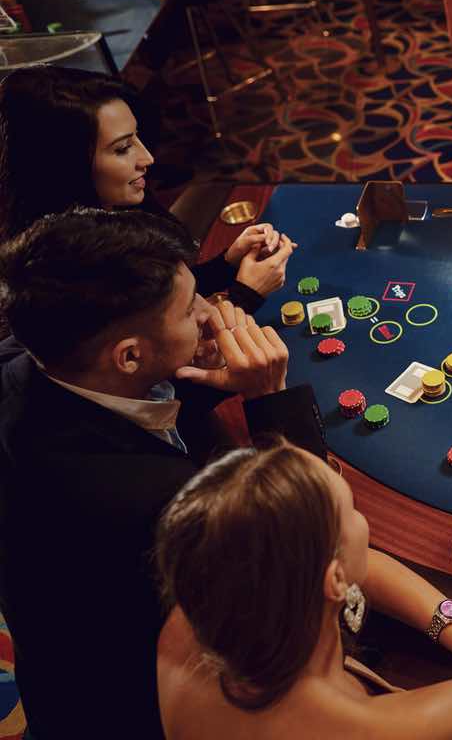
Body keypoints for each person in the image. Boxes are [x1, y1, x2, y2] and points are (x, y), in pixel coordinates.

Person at [0, 208, 322, 739]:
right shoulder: (153, 500)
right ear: (129, 357)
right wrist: (272, 397)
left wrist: (220, 280)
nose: (209, 311)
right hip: (140, 711)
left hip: (56, 672)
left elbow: (125, 398)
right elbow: (311, 548)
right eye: (191, 307)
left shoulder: (27, 356)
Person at [155, 433, 452, 739]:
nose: (361, 522)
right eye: (351, 508)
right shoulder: (379, 728)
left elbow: (357, 564)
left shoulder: (196, 615)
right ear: (334, 579)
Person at [0, 65, 292, 312]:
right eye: (123, 148)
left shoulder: (119, 205)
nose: (147, 158)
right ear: (66, 166)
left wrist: (228, 263)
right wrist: (246, 295)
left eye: (136, 137)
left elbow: (164, 290)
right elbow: (159, 367)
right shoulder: (63, 272)